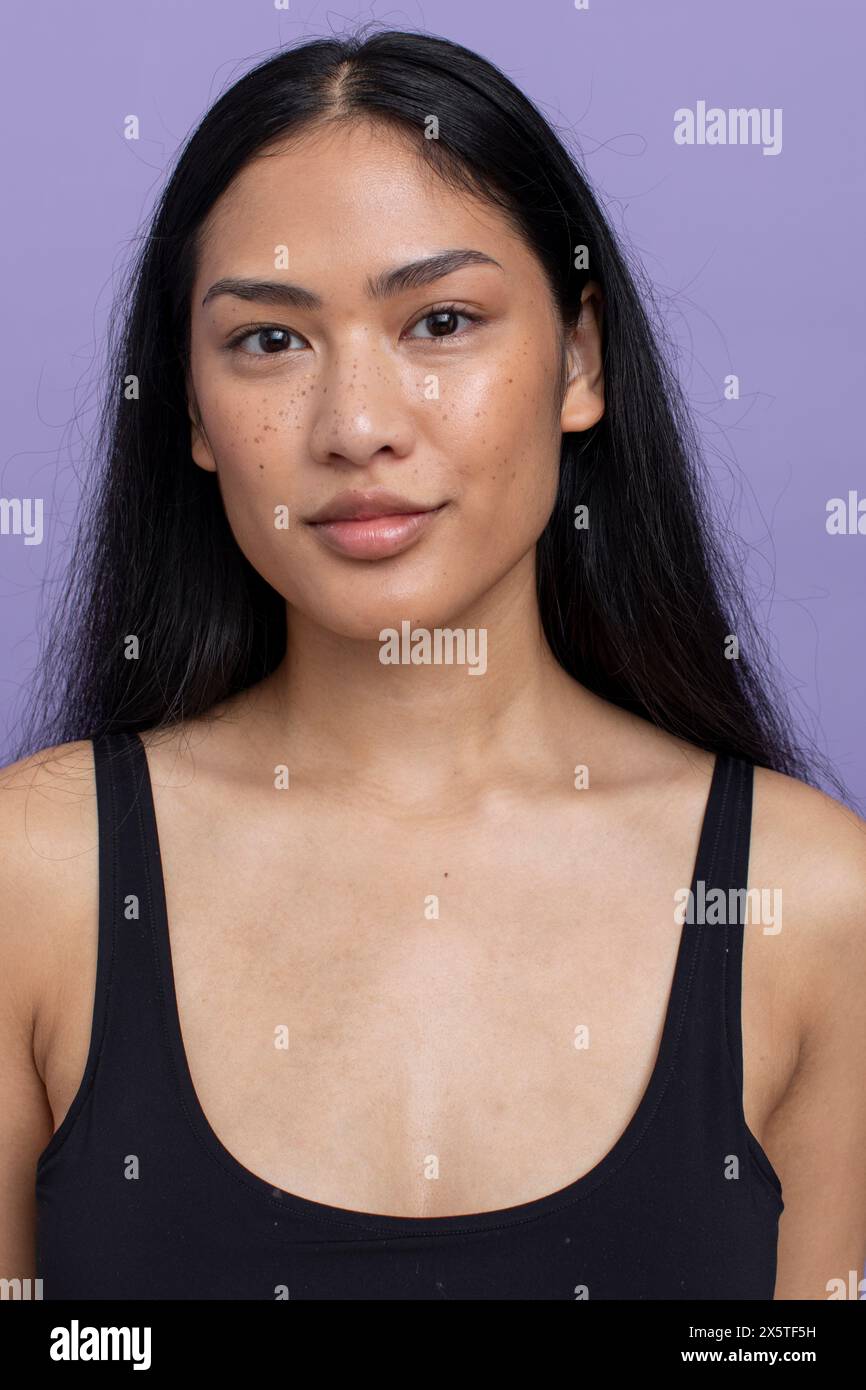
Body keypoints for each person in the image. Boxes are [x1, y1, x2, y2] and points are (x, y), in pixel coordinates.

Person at [1, 26, 864, 1302]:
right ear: (188, 409)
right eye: (268, 342)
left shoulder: (810, 903)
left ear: (578, 359)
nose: (357, 426)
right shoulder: (34, 882)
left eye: (441, 321)